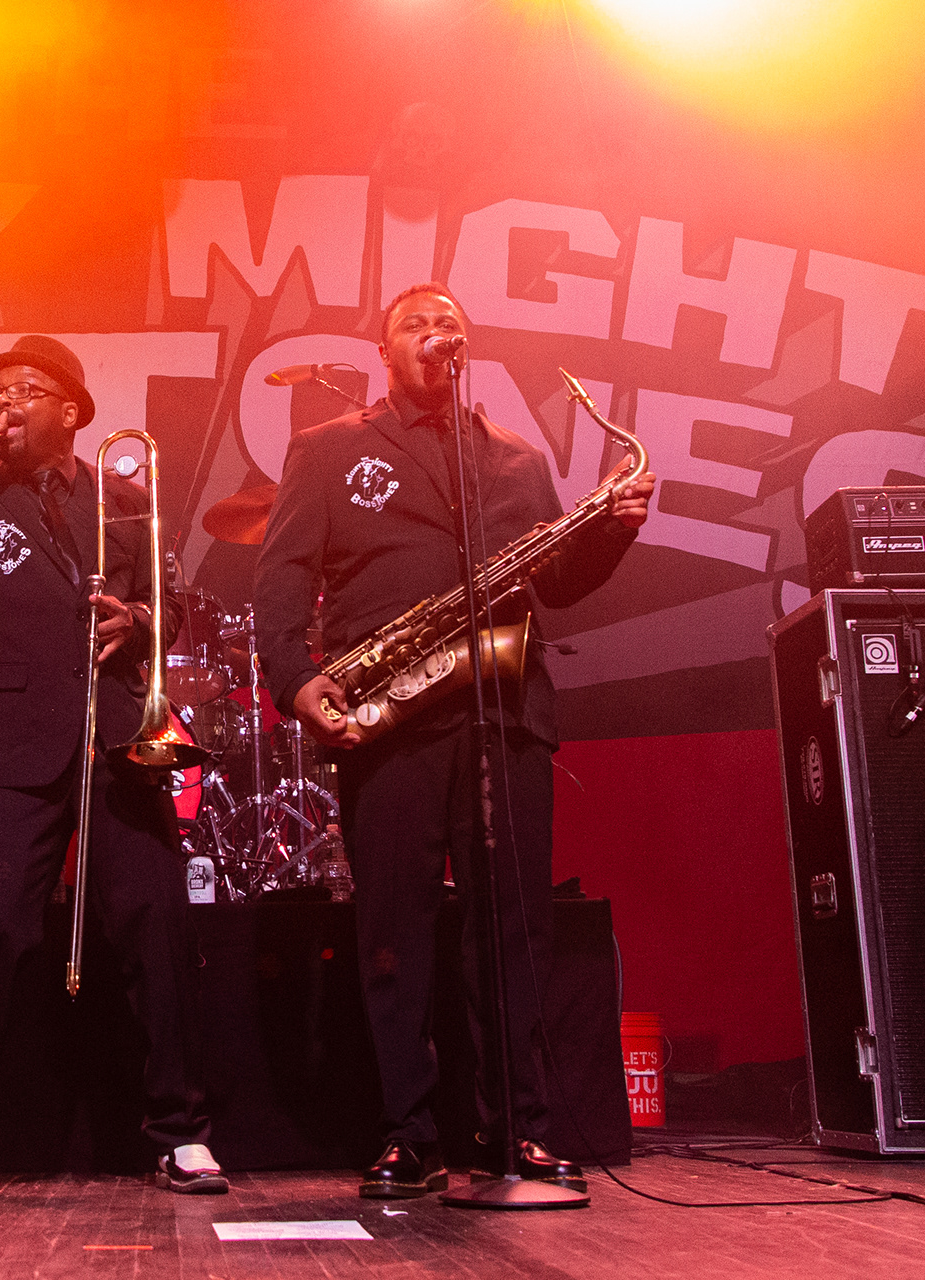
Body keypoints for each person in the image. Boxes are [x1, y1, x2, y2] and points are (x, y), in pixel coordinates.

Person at [253, 283, 655, 1199]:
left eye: (450, 325)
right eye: (417, 324)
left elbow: (555, 584)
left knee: (512, 929)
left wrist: (613, 533)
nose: (438, 334)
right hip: (390, 715)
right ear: (383, 350)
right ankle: (409, 1133)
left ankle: (519, 1129)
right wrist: (295, 677)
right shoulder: (329, 448)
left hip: (503, 711)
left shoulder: (514, 457)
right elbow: (281, 578)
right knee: (393, 931)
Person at [0, 335, 226, 1197]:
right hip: (13, 740)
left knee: (156, 926)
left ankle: (181, 1132)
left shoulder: (126, 498)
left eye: (25, 389)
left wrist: (140, 621)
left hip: (120, 735)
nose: (5, 399)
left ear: (72, 410)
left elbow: (171, 606)